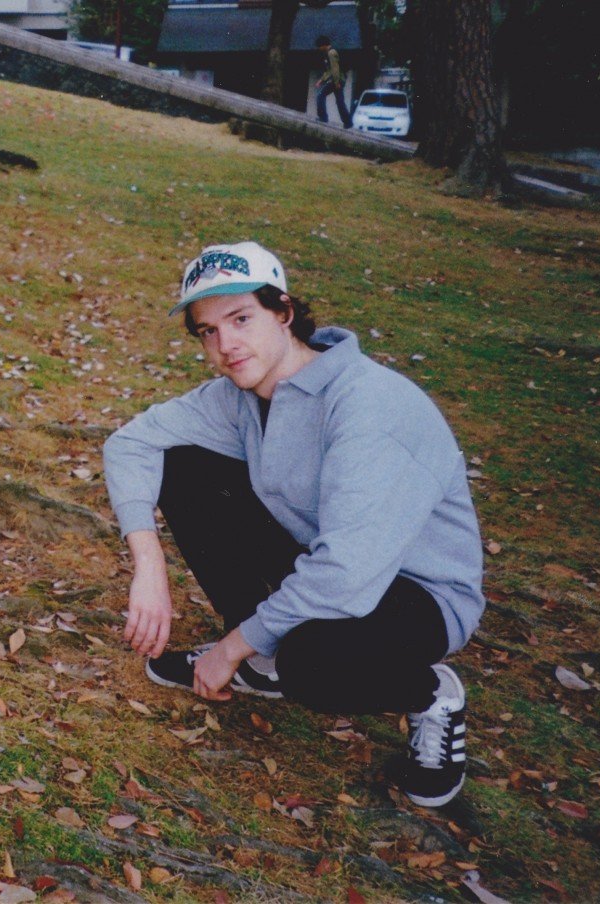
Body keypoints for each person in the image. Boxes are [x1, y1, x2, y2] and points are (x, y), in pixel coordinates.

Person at [102, 242, 485, 807]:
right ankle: (266, 659)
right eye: (208, 331)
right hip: (323, 563)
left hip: (413, 593)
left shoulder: (366, 404)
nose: (226, 344)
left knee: (317, 664)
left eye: (241, 319)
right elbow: (130, 443)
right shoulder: (241, 396)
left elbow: (347, 574)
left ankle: (430, 694)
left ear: (283, 312)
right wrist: (148, 566)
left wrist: (228, 648)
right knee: (182, 463)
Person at [314, 35, 353, 128]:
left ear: (323, 45)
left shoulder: (331, 53)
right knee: (340, 102)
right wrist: (321, 80)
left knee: (320, 96)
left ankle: (323, 117)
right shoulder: (330, 53)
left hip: (337, 80)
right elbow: (330, 70)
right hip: (339, 79)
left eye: (319, 46)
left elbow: (334, 69)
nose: (319, 49)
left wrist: (336, 82)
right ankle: (348, 122)